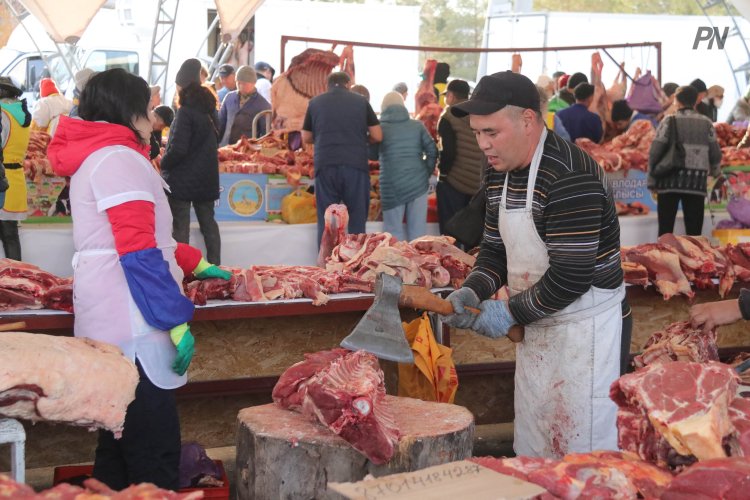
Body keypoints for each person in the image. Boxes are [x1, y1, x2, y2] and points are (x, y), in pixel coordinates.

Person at [47, 68, 230, 491]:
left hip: (119, 315)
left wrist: (194, 262)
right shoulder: (117, 158)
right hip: (133, 324)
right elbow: (138, 251)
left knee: (118, 449)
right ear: (129, 114)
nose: (154, 118)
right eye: (148, 110)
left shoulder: (111, 155)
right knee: (153, 455)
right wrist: (175, 318)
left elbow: (147, 238)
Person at [439, 71, 627, 458]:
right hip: (538, 328)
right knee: (536, 448)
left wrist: (507, 312)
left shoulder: (570, 175)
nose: (483, 144)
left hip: (584, 335)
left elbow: (570, 276)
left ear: (527, 120)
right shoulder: (499, 171)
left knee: (581, 461)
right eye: (477, 133)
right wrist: (475, 288)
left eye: (491, 132)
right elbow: (494, 248)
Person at [302, 71, 382, 245]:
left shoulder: (315, 103)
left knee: (327, 221)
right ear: (348, 83)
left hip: (326, 165)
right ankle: (355, 265)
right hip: (355, 165)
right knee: (357, 220)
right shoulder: (361, 102)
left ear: (327, 85)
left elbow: (306, 138)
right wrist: (361, 139)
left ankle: (326, 266)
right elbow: (377, 135)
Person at [161, 58, 223, 265]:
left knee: (181, 226)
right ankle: (215, 265)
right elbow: (219, 137)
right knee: (208, 224)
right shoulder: (210, 109)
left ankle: (183, 269)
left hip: (183, 179)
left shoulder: (185, 112)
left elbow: (178, 149)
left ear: (181, 87)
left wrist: (164, 163)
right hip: (207, 176)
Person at [648, 85, 721, 236]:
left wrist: (652, 178)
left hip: (669, 180)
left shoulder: (669, 121)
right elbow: (715, 152)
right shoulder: (707, 123)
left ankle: (666, 257)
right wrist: (715, 170)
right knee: (694, 233)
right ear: (695, 102)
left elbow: (655, 150)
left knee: (665, 232)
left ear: (677, 101)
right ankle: (693, 258)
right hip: (695, 183)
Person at [377, 91, 437, 241]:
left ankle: (393, 265)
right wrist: (426, 171)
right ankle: (418, 264)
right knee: (418, 235)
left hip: (391, 185)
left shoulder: (379, 128)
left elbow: (370, 153)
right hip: (418, 183)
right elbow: (432, 150)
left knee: (393, 233)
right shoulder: (417, 126)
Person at [436, 79, 484, 234]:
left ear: (450, 96)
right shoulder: (479, 113)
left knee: (450, 233)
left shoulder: (448, 116)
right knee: (471, 233)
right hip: (477, 182)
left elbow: (448, 151)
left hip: (454, 181)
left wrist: (442, 174)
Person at [0, 76, 31, 260]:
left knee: (8, 235)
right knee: (10, 235)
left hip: (2, 178)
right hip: (16, 178)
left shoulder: (2, 113)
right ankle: (16, 278)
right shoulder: (20, 113)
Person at [218, 65, 271, 146]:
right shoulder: (229, 98)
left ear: (253, 83)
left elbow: (265, 135)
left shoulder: (263, 105)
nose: (239, 85)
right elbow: (220, 123)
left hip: (247, 150)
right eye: (237, 82)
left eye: (243, 83)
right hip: (226, 147)